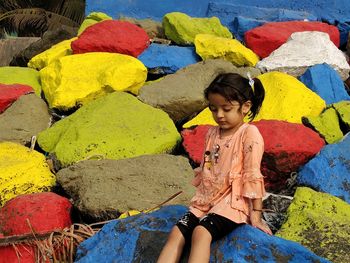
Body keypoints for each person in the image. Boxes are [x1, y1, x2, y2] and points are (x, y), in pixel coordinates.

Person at [157, 72, 272, 263]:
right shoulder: (212, 133)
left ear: (245, 107)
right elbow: (208, 166)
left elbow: (252, 174)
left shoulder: (249, 134)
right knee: (177, 231)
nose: (219, 115)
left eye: (226, 109)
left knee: (201, 233)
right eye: (213, 109)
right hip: (207, 200)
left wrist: (256, 216)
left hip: (232, 202)